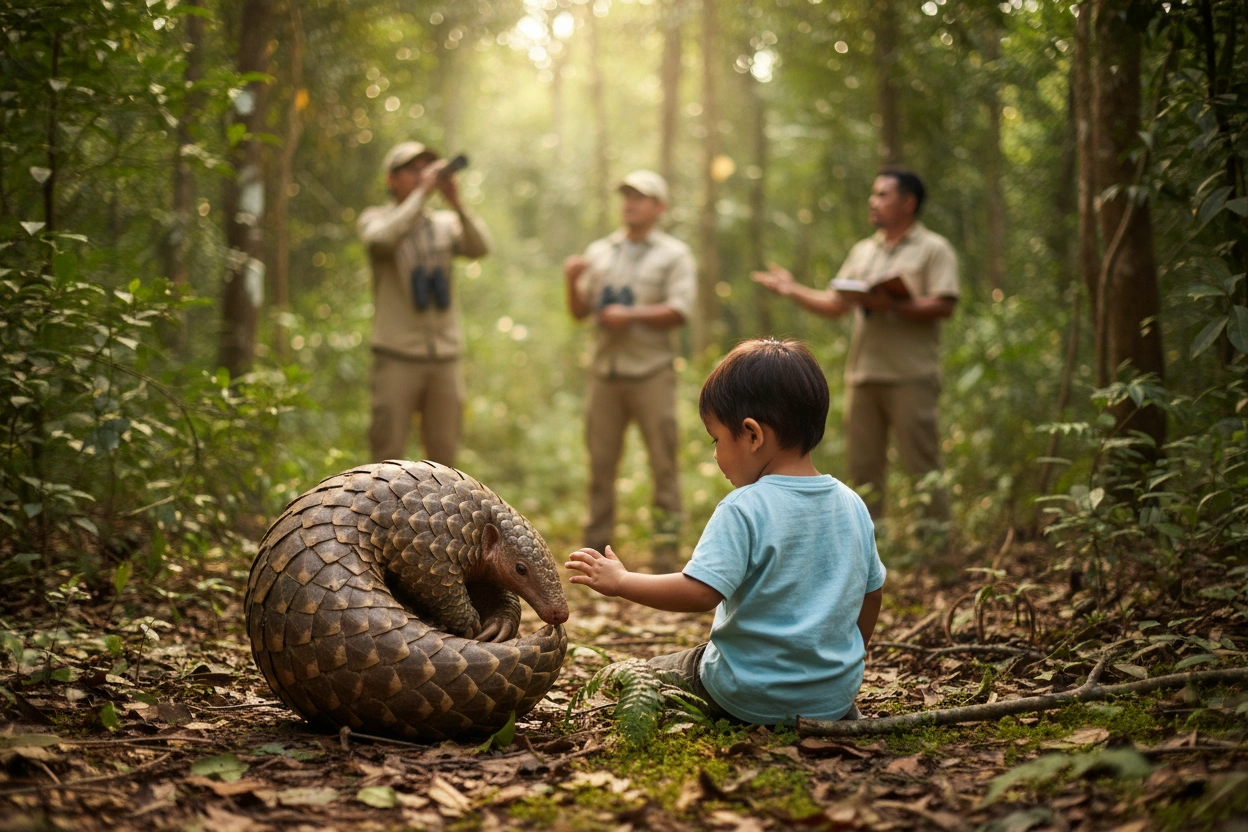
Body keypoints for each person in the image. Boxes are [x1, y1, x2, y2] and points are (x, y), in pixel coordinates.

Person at [565, 338, 885, 724]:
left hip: (746, 695)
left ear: (752, 434)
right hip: (830, 699)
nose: (715, 454)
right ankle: (818, 706)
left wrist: (621, 581)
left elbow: (700, 592)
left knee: (639, 677)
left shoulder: (745, 507)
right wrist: (848, 659)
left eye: (716, 439)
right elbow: (872, 593)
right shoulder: (852, 504)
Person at [752, 168, 958, 523]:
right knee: (863, 468)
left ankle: (934, 548)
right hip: (863, 375)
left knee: (921, 464)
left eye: (882, 195)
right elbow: (836, 304)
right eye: (873, 194)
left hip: (911, 375)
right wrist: (792, 289)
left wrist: (892, 305)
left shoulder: (933, 249)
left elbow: (945, 304)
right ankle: (868, 543)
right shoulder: (864, 250)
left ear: (908, 203)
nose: (872, 201)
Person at [563, 170, 696, 572]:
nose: (630, 203)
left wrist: (633, 315)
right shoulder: (600, 251)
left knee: (663, 463)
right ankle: (593, 550)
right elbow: (579, 311)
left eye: (641, 197)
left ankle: (665, 552)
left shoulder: (674, 254)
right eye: (626, 196)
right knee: (600, 464)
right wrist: (570, 282)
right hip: (605, 373)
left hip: (651, 372)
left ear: (659, 207)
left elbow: (680, 311)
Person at [358, 141, 491, 466]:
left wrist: (456, 202)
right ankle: (382, 519)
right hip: (397, 356)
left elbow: (480, 247)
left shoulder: (444, 224)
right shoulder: (376, 218)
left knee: (444, 460)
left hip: (443, 358)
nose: (422, 176)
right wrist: (421, 195)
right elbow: (381, 241)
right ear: (392, 179)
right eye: (413, 170)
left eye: (427, 169)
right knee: (386, 458)